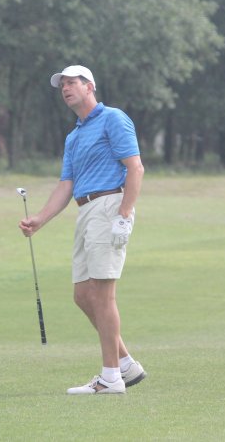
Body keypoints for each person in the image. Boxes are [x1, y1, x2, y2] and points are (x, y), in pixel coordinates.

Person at [18, 64, 146, 395]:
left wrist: (124, 214)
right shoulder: (74, 135)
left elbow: (135, 167)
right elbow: (67, 184)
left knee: (102, 294)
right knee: (83, 295)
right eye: (62, 85)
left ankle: (111, 377)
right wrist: (40, 219)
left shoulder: (113, 118)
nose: (65, 88)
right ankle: (126, 364)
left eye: (72, 82)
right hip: (85, 210)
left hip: (109, 206)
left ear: (89, 87)